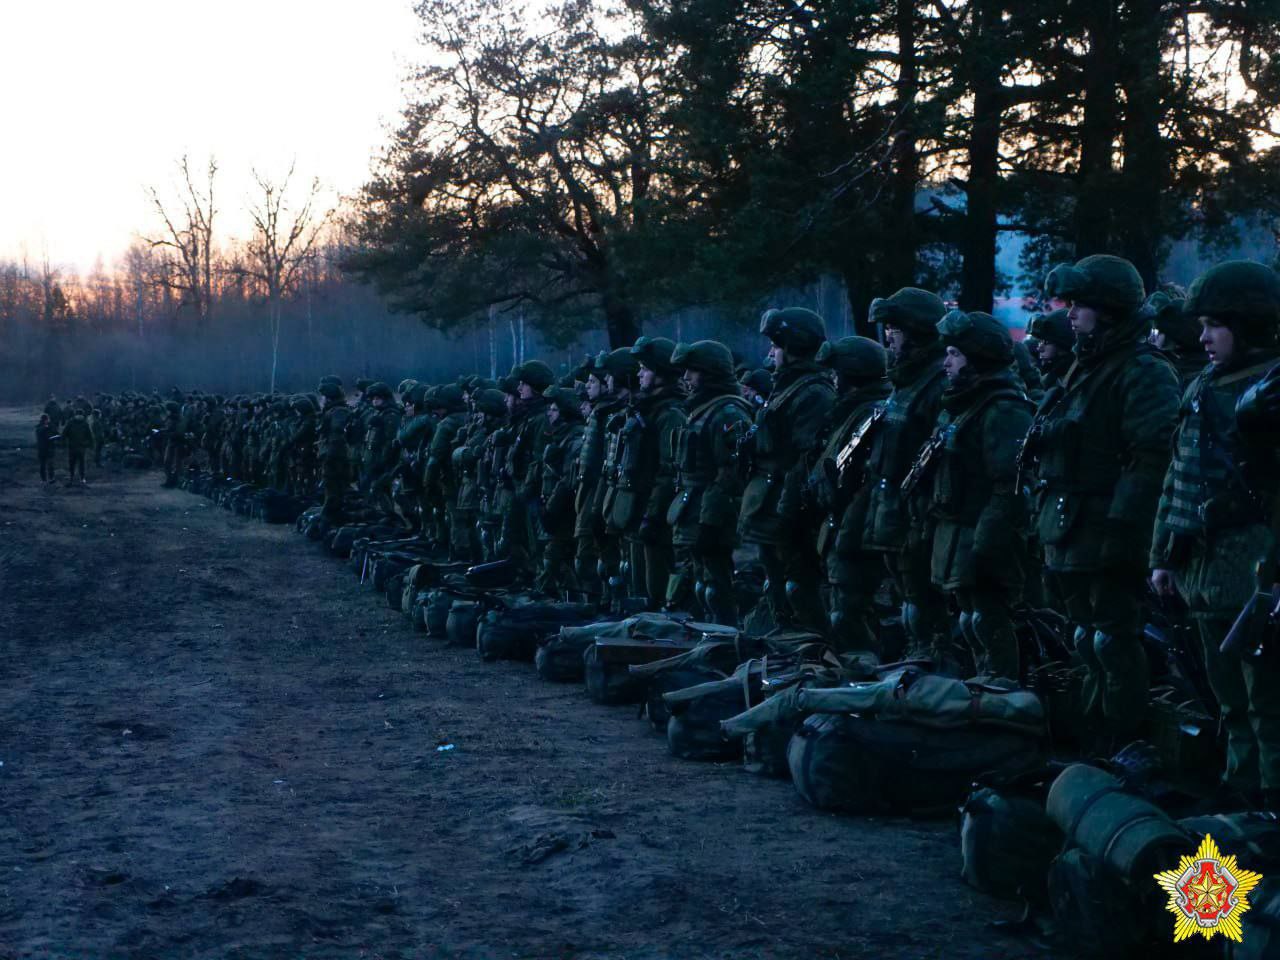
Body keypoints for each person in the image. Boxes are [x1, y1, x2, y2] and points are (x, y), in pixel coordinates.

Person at [1028, 254, 1179, 748]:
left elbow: (1152, 457)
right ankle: (1092, 730)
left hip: (1108, 530)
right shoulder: (1084, 369)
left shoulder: (1141, 370)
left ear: (1109, 310)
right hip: (1070, 526)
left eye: (1080, 305)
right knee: (1083, 637)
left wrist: (1123, 530)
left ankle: (1123, 740)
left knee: (1113, 640)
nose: (1069, 314)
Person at [1150, 260, 1280, 809]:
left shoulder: (1273, 390)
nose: (1202, 337)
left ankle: (1271, 804)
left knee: (1267, 701)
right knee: (1226, 696)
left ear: (1249, 325)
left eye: (1215, 325)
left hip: (1259, 570)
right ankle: (1240, 788)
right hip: (1203, 568)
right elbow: (1176, 476)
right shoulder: (1202, 385)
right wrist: (1162, 555)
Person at [918, 311, 1033, 681]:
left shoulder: (1003, 408)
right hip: (957, 535)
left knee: (986, 621)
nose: (946, 362)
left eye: (954, 353)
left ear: (977, 357)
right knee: (969, 620)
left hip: (982, 536)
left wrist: (987, 542)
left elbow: (1009, 486)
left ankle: (1004, 702)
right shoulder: (962, 405)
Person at [862, 287, 950, 659]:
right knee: (906, 598)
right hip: (892, 508)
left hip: (919, 513)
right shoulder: (904, 382)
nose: (888, 338)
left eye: (895, 330)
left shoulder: (936, 382)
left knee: (925, 604)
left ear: (915, 331)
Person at [739, 307, 834, 634]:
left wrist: (789, 510)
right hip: (769, 497)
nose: (770, 353)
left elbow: (805, 458)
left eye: (776, 346)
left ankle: (813, 648)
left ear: (793, 347)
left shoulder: (812, 392)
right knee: (776, 579)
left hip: (789, 503)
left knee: (797, 585)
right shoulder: (787, 387)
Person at [809, 336, 893, 654]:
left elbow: (859, 480)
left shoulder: (870, 414)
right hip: (840, 524)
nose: (833, 380)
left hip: (855, 528)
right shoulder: (851, 412)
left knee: (848, 614)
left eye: (836, 373)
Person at [669, 340, 754, 626]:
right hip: (693, 512)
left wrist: (710, 522)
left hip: (714, 517)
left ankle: (727, 642)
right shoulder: (702, 411)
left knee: (716, 589)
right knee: (700, 586)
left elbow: (729, 474)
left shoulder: (728, 413)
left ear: (711, 372)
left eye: (692, 372)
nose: (686, 379)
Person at [63, 404, 94, 485]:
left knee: (73, 463)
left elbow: (64, 434)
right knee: (81, 463)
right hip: (81, 446)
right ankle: (81, 478)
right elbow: (90, 435)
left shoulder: (70, 423)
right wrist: (91, 444)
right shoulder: (85, 423)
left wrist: (62, 442)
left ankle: (73, 477)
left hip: (73, 446)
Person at [36, 413, 57, 483]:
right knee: (49, 465)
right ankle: (49, 478)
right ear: (46, 420)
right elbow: (49, 437)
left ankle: (45, 479)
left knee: (44, 465)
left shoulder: (39, 427)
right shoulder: (44, 427)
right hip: (47, 448)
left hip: (42, 448)